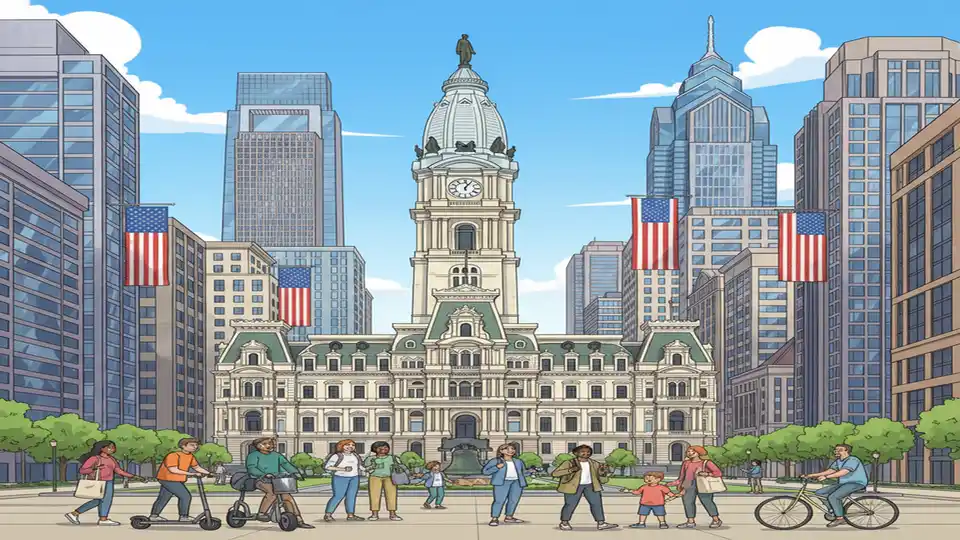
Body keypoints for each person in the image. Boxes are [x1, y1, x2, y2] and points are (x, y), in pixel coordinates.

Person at [65, 440, 143, 526]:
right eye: (109, 447)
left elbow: (118, 470)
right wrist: (94, 468)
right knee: (103, 501)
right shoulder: (95, 458)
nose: (112, 449)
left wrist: (133, 476)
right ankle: (100, 518)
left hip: (109, 482)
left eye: (113, 447)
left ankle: (78, 514)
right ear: (102, 448)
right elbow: (82, 470)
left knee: (102, 501)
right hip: (99, 482)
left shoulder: (111, 459)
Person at [245, 437, 314, 529]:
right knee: (272, 493)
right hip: (260, 479)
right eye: (265, 444)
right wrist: (264, 474)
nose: (268, 445)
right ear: (258, 446)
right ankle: (262, 513)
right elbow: (251, 468)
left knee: (287, 497)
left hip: (276, 479)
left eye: (269, 443)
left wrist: (295, 473)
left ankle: (298, 519)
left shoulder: (276, 455)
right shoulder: (253, 456)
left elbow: (286, 464)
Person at [550, 445, 618, 531]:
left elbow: (602, 476)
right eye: (583, 451)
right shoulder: (569, 463)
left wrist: (603, 470)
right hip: (573, 486)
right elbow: (555, 473)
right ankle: (564, 522)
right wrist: (570, 470)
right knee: (570, 505)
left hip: (591, 486)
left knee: (596, 504)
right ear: (576, 453)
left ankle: (601, 523)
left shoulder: (594, 463)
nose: (586, 453)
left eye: (588, 452)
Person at [802, 444, 870, 528]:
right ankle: (833, 510)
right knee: (820, 492)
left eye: (840, 450)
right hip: (843, 483)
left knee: (834, 497)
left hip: (856, 483)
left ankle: (840, 518)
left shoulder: (853, 459)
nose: (837, 451)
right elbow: (830, 471)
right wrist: (811, 475)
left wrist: (826, 477)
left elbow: (844, 472)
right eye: (836, 450)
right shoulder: (838, 461)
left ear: (847, 451)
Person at [150, 437, 212, 522]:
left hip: (176, 480)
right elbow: (173, 470)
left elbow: (196, 467)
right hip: (168, 479)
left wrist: (209, 473)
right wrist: (192, 474)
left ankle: (154, 516)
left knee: (164, 497)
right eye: (192, 445)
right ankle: (183, 516)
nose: (195, 447)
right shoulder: (173, 455)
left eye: (196, 445)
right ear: (183, 446)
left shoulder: (190, 456)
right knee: (185, 496)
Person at [666, 445, 723, 529]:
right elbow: (682, 476)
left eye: (692, 451)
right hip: (688, 484)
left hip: (702, 484)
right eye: (688, 451)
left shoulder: (706, 462)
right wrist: (673, 484)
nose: (690, 453)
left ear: (699, 452)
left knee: (707, 502)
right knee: (688, 503)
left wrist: (706, 474)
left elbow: (718, 473)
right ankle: (690, 521)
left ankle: (716, 520)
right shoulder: (686, 463)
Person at [481, 442, 530, 526]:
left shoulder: (518, 461)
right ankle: (494, 518)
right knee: (499, 501)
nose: (511, 451)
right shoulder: (495, 461)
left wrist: (530, 472)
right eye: (507, 449)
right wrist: (496, 467)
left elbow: (523, 472)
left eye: (512, 449)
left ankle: (509, 517)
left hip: (517, 483)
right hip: (501, 483)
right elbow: (485, 471)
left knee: (513, 501)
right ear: (501, 451)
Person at [363, 441, 406, 521]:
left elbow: (402, 466)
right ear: (375, 449)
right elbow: (365, 468)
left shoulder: (393, 457)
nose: (383, 449)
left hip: (390, 477)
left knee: (392, 496)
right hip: (375, 477)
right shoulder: (370, 458)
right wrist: (372, 467)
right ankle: (374, 514)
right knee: (374, 495)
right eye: (380, 447)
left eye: (386, 447)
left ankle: (393, 514)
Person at [323, 439, 364, 522]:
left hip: (354, 478)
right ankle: (328, 514)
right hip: (340, 477)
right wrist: (343, 469)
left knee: (351, 497)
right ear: (341, 446)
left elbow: (359, 466)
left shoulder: (355, 455)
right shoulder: (337, 456)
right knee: (338, 496)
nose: (350, 447)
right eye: (347, 445)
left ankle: (350, 515)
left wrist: (367, 469)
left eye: (352, 445)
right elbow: (328, 467)